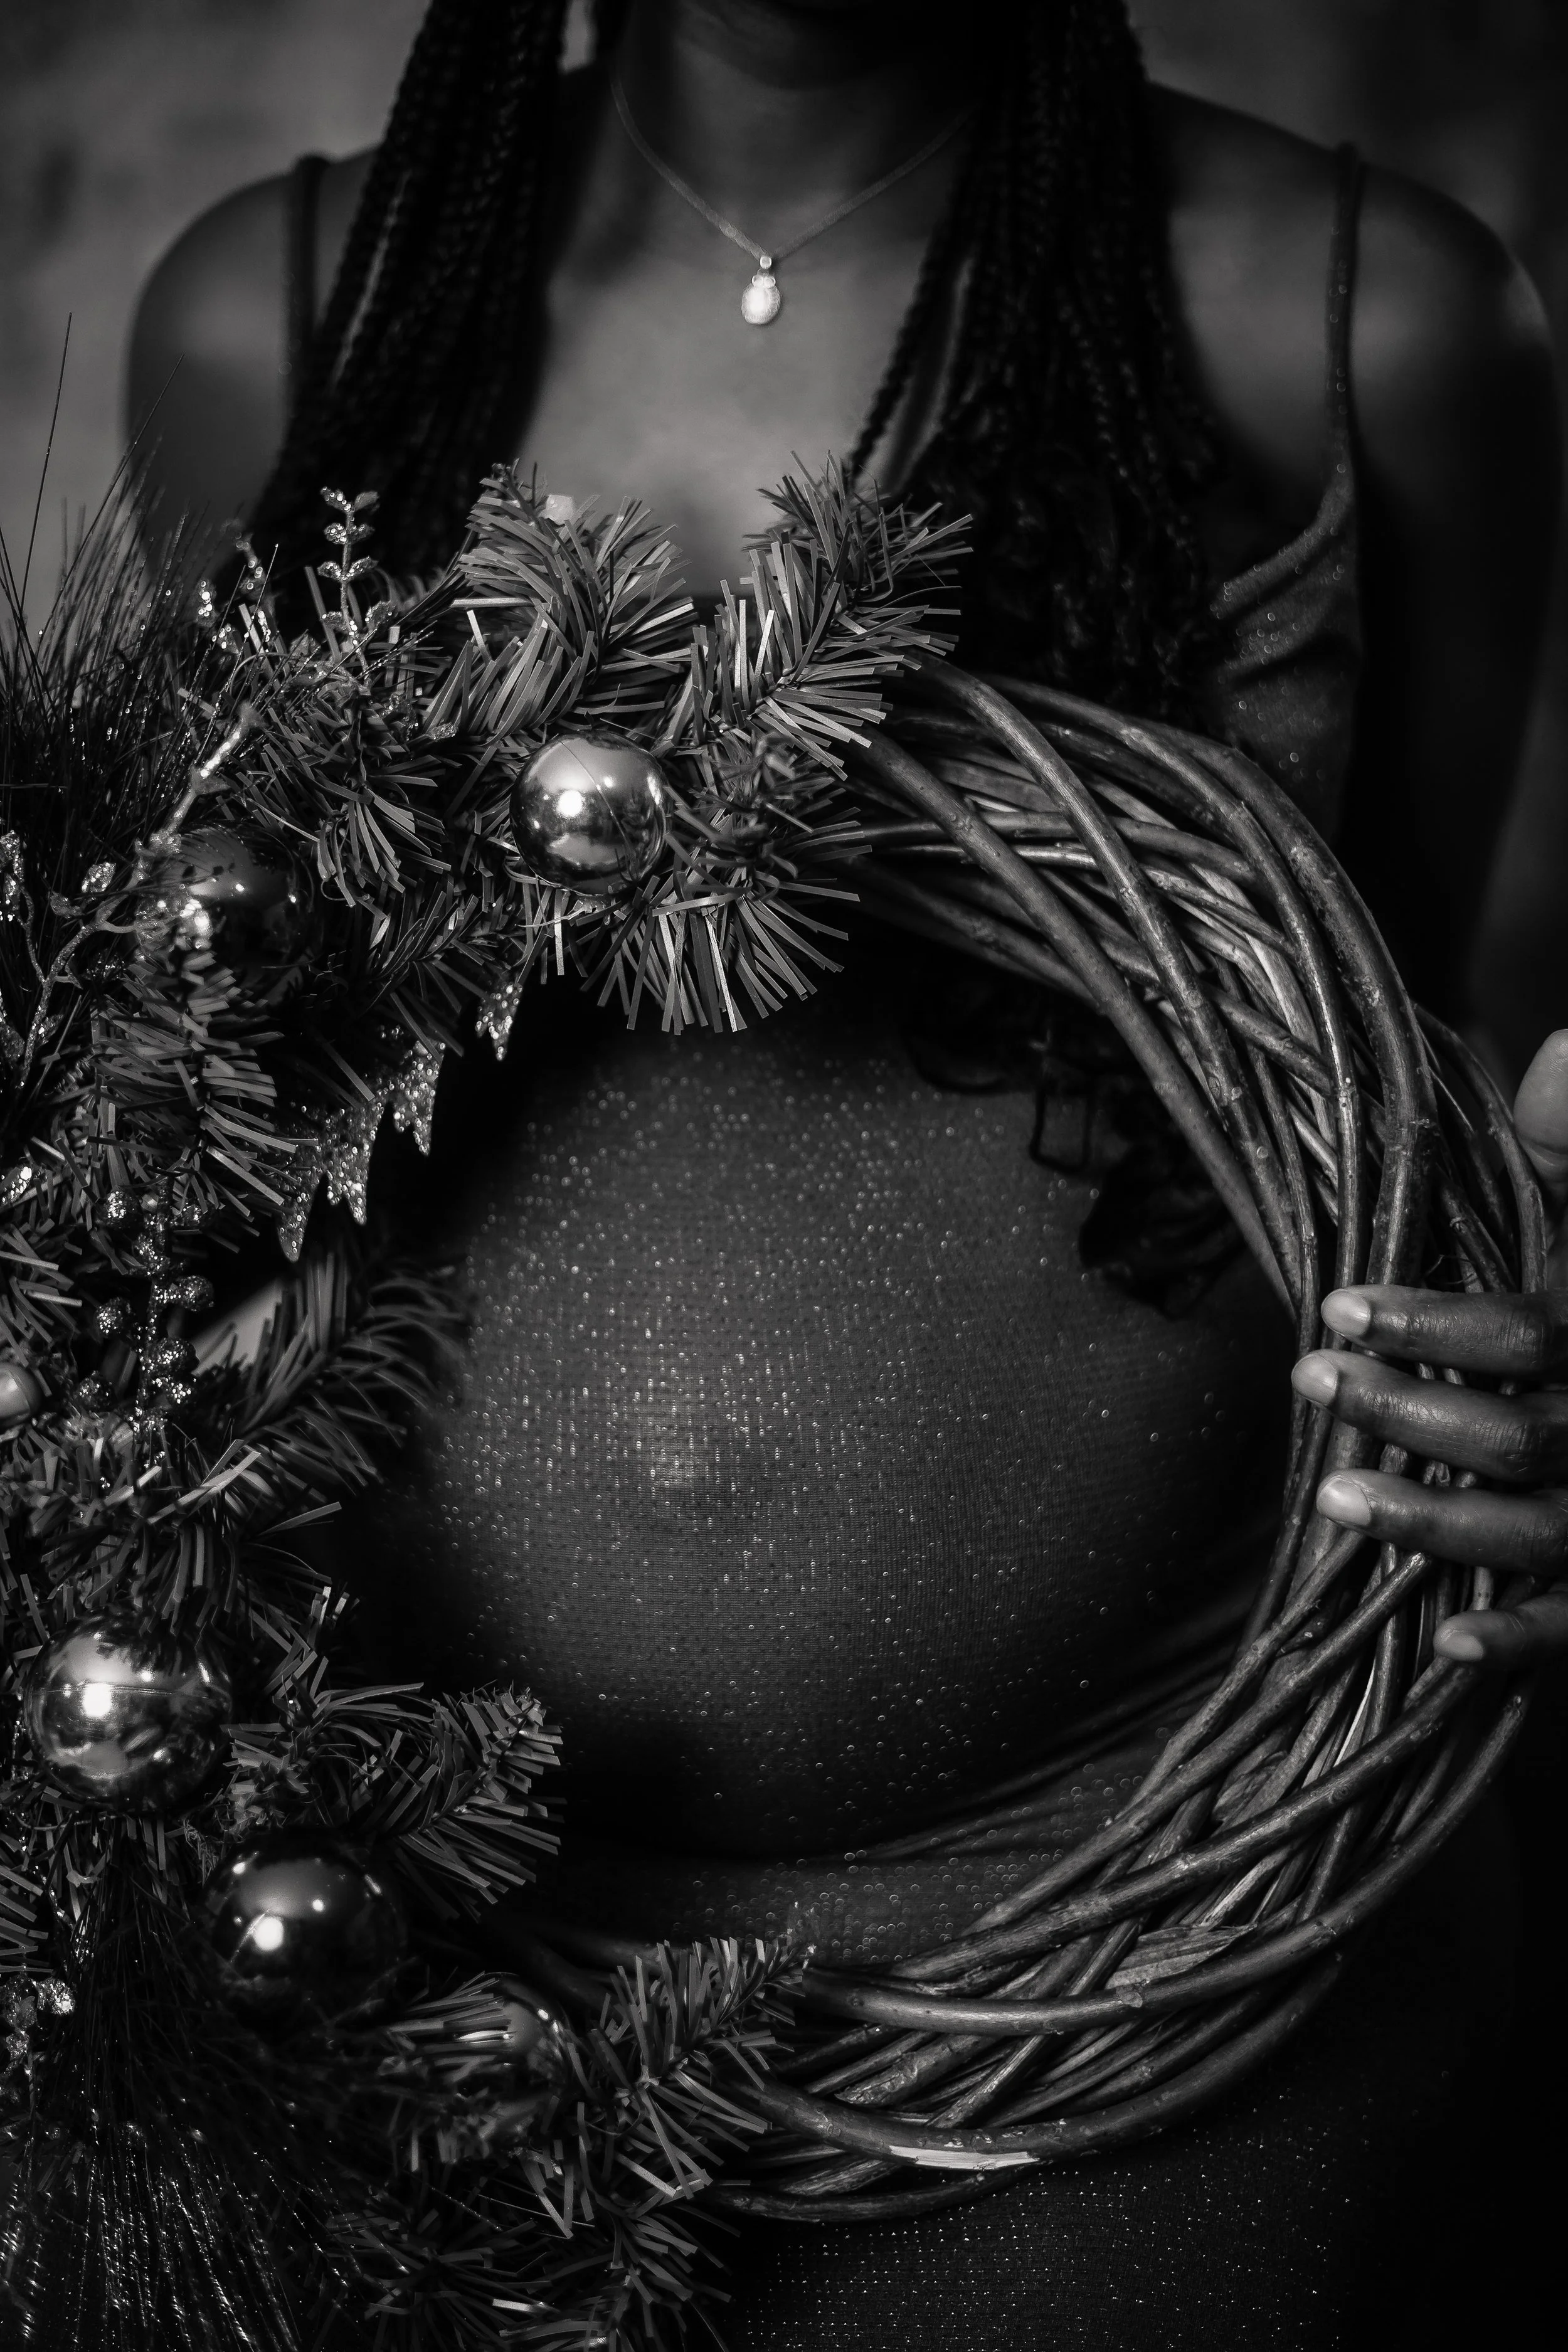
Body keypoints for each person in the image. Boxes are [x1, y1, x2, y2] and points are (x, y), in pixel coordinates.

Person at [127, 3, 1565, 2343]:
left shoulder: (1364, 311)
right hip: (406, 1978)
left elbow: (1472, 1083)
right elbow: (183, 1051)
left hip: (1167, 1935)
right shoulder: (279, 313)